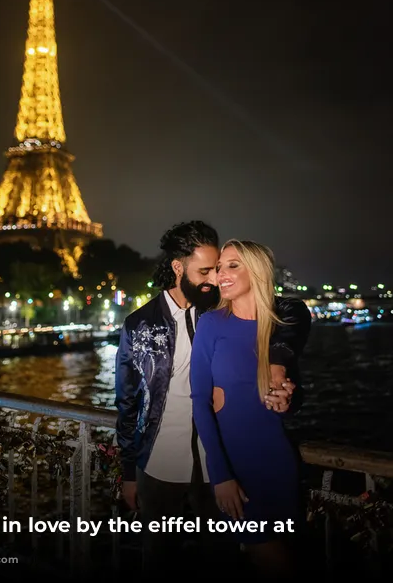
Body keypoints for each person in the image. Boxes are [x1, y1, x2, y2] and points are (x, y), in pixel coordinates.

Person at [115, 221, 311, 573]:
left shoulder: (218, 311)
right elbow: (128, 402)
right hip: (161, 463)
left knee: (221, 561)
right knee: (158, 558)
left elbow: (291, 312)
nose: (214, 277)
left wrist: (282, 370)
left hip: (215, 466)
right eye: (206, 270)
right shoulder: (140, 325)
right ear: (178, 268)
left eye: (220, 267)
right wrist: (129, 470)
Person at [190, 238, 309, 579]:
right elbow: (200, 401)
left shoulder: (278, 329)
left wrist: (285, 400)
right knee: (270, 558)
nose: (221, 274)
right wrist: (221, 475)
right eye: (218, 267)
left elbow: (284, 398)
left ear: (256, 272)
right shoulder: (212, 324)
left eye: (232, 265)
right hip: (236, 467)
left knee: (280, 554)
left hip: (277, 461)